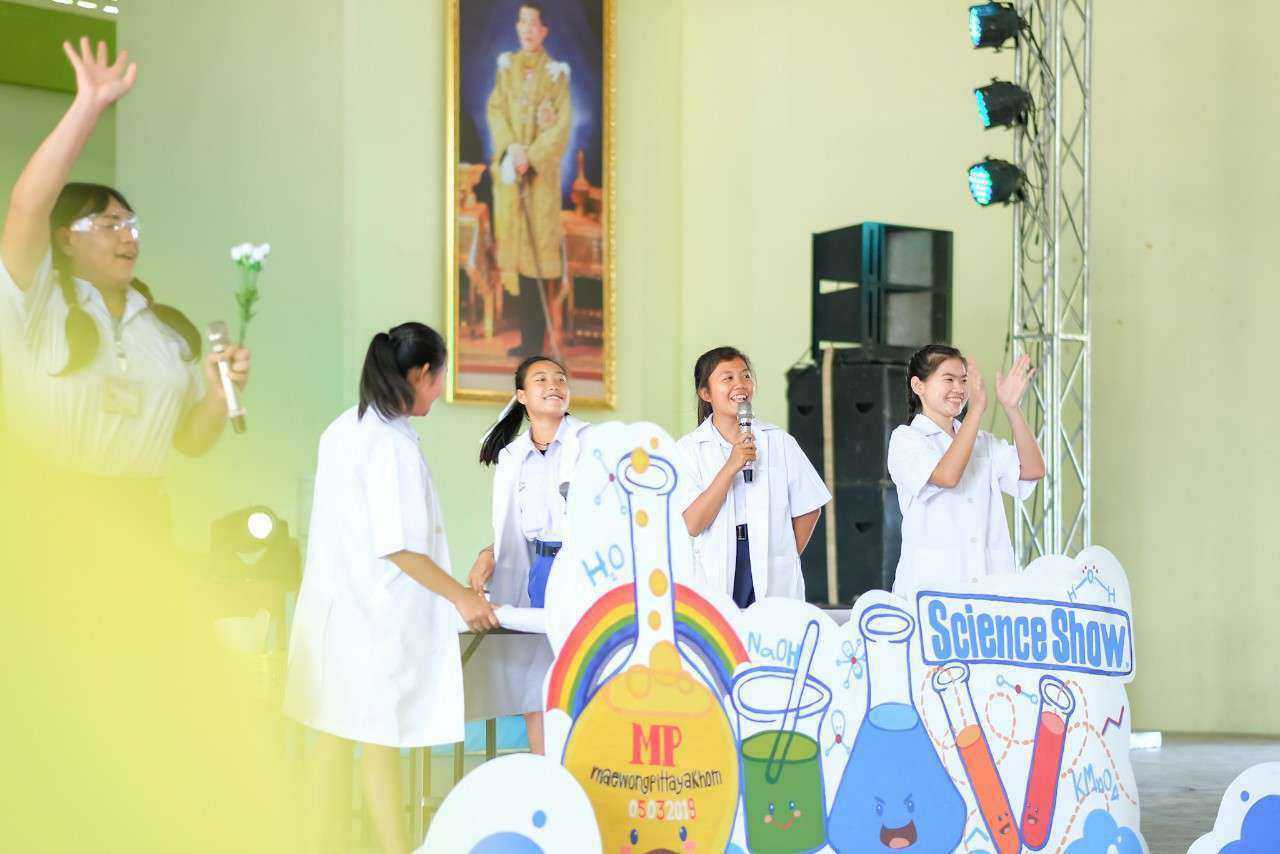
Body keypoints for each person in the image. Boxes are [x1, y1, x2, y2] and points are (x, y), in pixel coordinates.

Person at [0, 39, 250, 512]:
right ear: (65, 238)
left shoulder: (164, 330)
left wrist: (219, 396)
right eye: (108, 224)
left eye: (131, 225)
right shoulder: (34, 302)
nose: (128, 237)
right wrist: (88, 106)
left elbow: (191, 443)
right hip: (46, 514)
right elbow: (28, 206)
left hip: (141, 516)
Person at [283, 323, 499, 854]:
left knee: (332, 737)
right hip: (373, 616)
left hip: (340, 611)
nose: (439, 391)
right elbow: (399, 547)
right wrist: (461, 596)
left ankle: (315, 842)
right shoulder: (390, 444)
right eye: (439, 379)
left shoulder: (345, 427)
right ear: (421, 374)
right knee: (379, 743)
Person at [469, 354, 590, 755]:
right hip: (539, 568)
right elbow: (512, 527)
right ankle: (546, 770)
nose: (554, 384)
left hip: (582, 569)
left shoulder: (591, 443)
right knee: (535, 679)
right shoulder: (513, 456)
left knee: (579, 674)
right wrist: (489, 552)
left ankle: (581, 770)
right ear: (521, 396)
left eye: (560, 378)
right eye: (541, 379)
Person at [886, 344, 1045, 596]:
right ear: (918, 386)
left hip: (989, 587)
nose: (959, 389)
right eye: (948, 379)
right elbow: (947, 476)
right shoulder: (906, 439)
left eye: (963, 380)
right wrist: (976, 411)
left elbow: (1033, 469)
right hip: (932, 590)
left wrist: (1012, 408)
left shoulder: (982, 441)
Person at [678, 346, 831, 607]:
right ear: (705, 393)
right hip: (716, 566)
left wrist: (783, 556)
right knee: (722, 629)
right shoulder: (688, 450)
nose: (740, 384)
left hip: (772, 565)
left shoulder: (779, 441)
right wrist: (731, 467)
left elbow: (809, 508)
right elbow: (692, 523)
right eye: (728, 378)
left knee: (772, 629)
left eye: (745, 376)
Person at [486, 1, 571, 358]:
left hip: (539, 181)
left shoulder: (556, 74)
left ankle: (537, 342)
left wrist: (530, 156)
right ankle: (527, 339)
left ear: (544, 30)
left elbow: (560, 127)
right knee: (519, 258)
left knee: (537, 258)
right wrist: (511, 149)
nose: (527, 30)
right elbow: (496, 110)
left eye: (534, 24)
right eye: (522, 23)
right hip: (513, 175)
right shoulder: (506, 69)